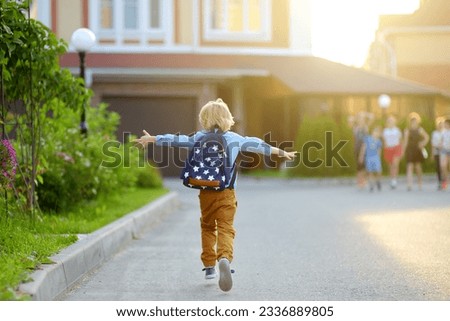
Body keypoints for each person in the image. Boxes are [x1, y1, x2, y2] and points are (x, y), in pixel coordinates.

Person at [134, 98, 297, 292]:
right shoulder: (234, 138)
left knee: (208, 226)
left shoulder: (199, 137)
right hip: (226, 192)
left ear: (204, 119)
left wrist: (153, 138)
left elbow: (177, 140)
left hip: (206, 191)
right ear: (228, 119)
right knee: (226, 228)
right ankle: (224, 258)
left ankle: (210, 266)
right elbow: (258, 145)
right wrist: (281, 153)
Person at [403, 112, 430, 191]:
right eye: (412, 121)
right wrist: (403, 151)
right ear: (410, 122)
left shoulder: (420, 129)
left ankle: (420, 183)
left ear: (417, 121)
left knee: (418, 167)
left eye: (415, 121)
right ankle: (409, 185)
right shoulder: (407, 130)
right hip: (410, 150)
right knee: (409, 167)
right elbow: (405, 141)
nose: (413, 123)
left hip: (417, 150)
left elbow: (427, 137)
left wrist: (422, 143)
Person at [359, 126, 383, 192]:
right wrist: (361, 156)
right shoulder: (368, 139)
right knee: (370, 171)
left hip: (376, 157)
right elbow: (364, 147)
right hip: (369, 157)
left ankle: (378, 181)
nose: (376, 133)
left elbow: (379, 151)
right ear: (372, 132)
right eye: (375, 131)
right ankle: (371, 184)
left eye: (378, 132)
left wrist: (379, 158)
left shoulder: (379, 141)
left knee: (378, 171)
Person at [382, 115, 402, 189]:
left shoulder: (397, 130)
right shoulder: (385, 131)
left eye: (392, 121)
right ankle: (391, 179)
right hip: (388, 149)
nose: (391, 122)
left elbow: (400, 141)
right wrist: (386, 147)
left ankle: (394, 180)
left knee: (395, 164)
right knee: (390, 165)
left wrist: (401, 150)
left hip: (396, 148)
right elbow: (384, 141)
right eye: (389, 121)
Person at [351, 112, 370, 189]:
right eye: (359, 118)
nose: (361, 120)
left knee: (364, 165)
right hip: (357, 148)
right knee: (359, 166)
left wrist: (366, 115)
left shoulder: (365, 128)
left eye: (362, 118)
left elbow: (366, 140)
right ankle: (359, 181)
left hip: (364, 148)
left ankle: (364, 181)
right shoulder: (355, 128)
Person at [431, 117, 445, 190]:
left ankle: (444, 182)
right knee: (438, 168)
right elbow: (433, 144)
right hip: (437, 152)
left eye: (441, 124)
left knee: (444, 167)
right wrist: (432, 154)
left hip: (444, 152)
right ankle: (439, 182)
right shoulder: (434, 133)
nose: (440, 125)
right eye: (439, 124)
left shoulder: (445, 132)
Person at [439, 118, 450, 190]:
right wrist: (440, 145)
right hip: (444, 150)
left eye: (447, 124)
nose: (445, 125)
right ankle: (445, 183)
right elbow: (441, 141)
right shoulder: (443, 132)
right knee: (443, 166)